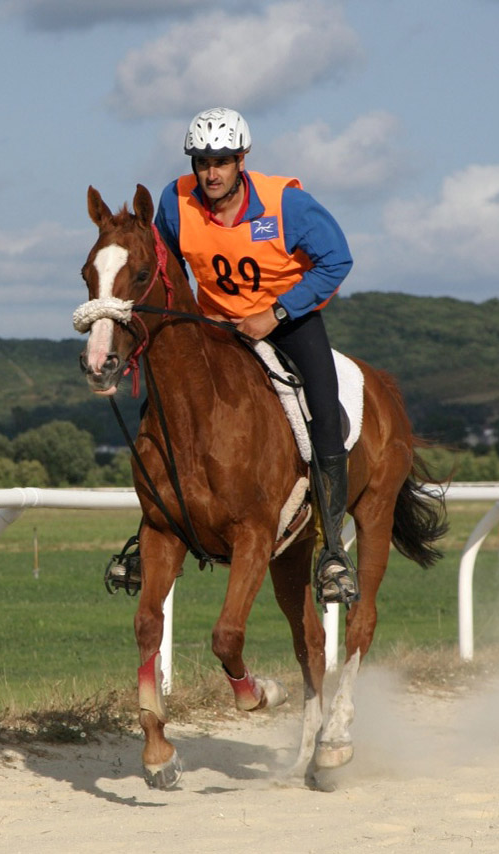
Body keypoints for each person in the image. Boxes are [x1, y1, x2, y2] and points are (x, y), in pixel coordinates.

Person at [154, 106, 357, 606]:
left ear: (242, 159)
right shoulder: (174, 201)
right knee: (168, 403)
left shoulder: (287, 204)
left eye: (221, 161)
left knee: (325, 414)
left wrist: (277, 313)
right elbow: (165, 266)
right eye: (202, 162)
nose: (211, 172)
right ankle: (152, 529)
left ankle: (332, 551)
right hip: (215, 325)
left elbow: (337, 260)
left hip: (289, 322)